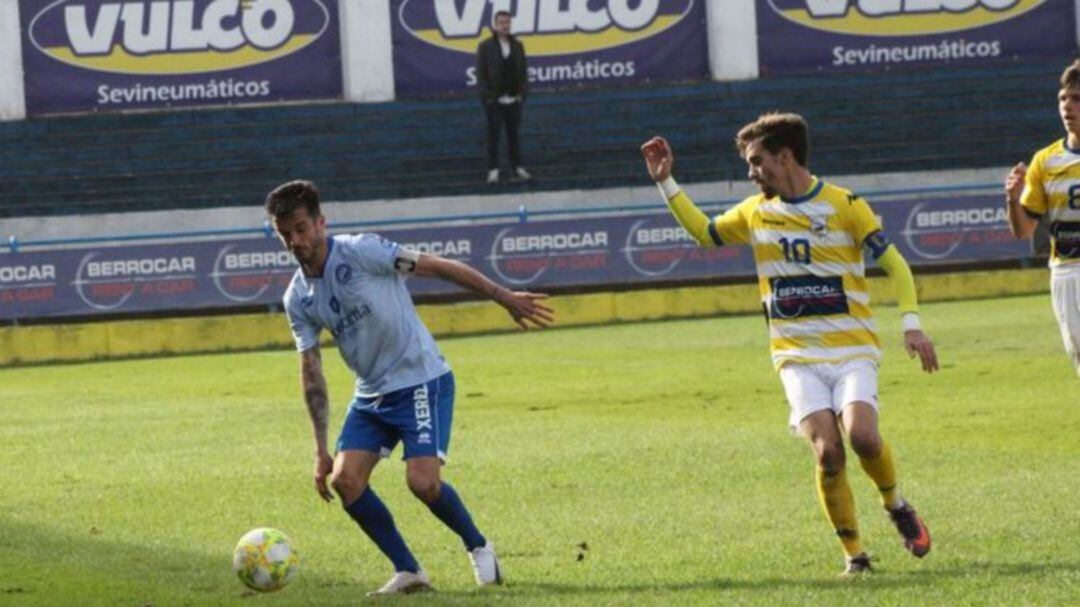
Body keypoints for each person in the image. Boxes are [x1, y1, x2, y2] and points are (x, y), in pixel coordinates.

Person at [640, 113, 939, 576]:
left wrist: (912, 325)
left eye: (757, 162)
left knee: (862, 436)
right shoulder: (755, 211)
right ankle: (855, 556)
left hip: (852, 349)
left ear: (785, 157)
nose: (751, 172)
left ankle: (895, 504)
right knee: (828, 452)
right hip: (796, 357)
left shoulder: (845, 205)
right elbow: (704, 233)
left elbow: (896, 266)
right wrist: (666, 183)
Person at [266, 180, 554, 594]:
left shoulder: (362, 251)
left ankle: (479, 546)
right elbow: (311, 371)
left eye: (300, 228)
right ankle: (409, 571)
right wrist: (320, 449)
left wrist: (500, 294)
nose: (295, 241)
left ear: (320, 223)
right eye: (285, 234)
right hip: (371, 394)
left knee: (423, 483)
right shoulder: (298, 297)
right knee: (345, 481)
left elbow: (434, 265)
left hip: (421, 378)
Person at [1005, 59, 1080, 377]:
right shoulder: (1045, 161)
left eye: (1077, 98)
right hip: (1068, 273)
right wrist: (1012, 197)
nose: (1068, 106)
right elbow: (1023, 231)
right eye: (1063, 98)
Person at [477, 10, 531, 185]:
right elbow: (481, 74)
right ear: (495, 24)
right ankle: (493, 170)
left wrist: (522, 94)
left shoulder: (517, 45)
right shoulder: (485, 47)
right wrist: (487, 98)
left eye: (507, 22)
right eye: (501, 22)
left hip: (513, 100)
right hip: (494, 101)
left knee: (513, 136)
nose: (505, 25)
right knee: (494, 137)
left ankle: (516, 168)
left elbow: (523, 71)